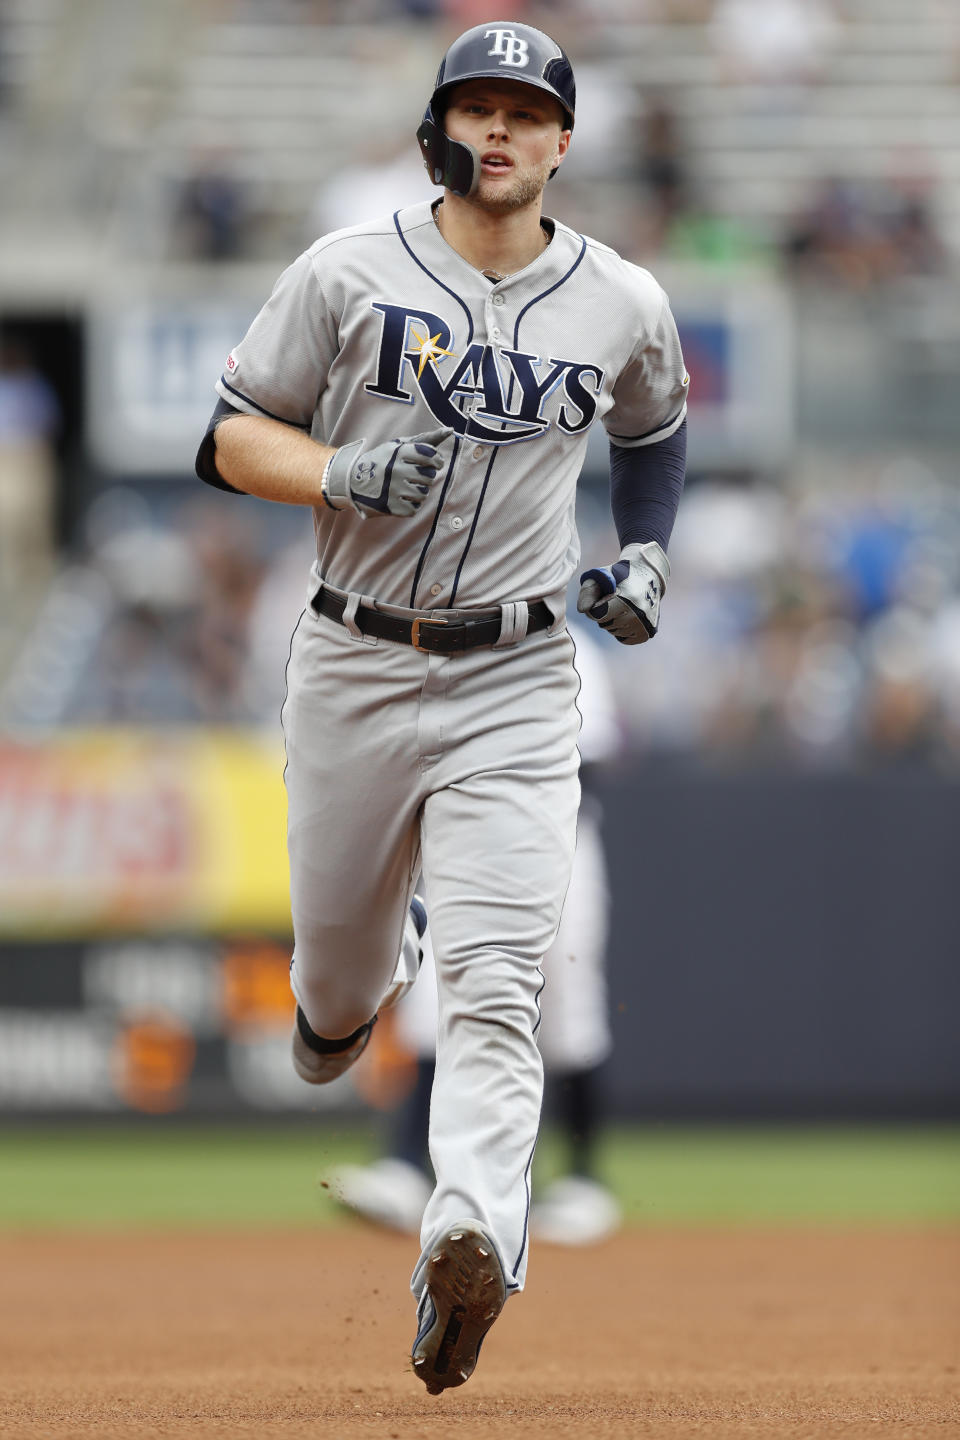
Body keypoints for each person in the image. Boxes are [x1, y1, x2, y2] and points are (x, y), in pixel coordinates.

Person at [195, 19, 688, 1395]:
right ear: (440, 127)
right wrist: (341, 473)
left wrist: (645, 551)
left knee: (502, 983)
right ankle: (343, 1004)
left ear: (563, 141)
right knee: (338, 988)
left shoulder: (619, 298)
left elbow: (656, 429)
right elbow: (228, 433)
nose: (501, 131)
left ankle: (468, 1232)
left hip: (520, 678)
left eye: (526, 113)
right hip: (354, 659)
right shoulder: (347, 271)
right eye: (477, 107)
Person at [330, 611, 624, 1247]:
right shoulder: (448, 640)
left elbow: (588, 762)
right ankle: (409, 1167)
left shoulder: (569, 644)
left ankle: (582, 1178)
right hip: (468, 849)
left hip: (558, 847)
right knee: (437, 998)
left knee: (570, 1011)